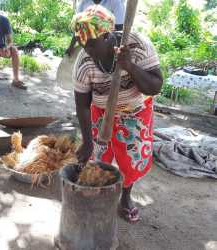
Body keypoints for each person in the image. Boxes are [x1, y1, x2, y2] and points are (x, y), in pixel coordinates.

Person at [71, 5, 163, 223]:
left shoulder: (137, 45)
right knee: (98, 155)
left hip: (135, 111)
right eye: (84, 44)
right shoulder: (83, 63)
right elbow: (82, 104)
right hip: (101, 111)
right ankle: (99, 193)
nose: (88, 51)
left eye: (93, 44)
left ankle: (125, 196)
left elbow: (155, 86)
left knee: (130, 161)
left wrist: (130, 66)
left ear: (108, 35)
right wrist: (86, 140)